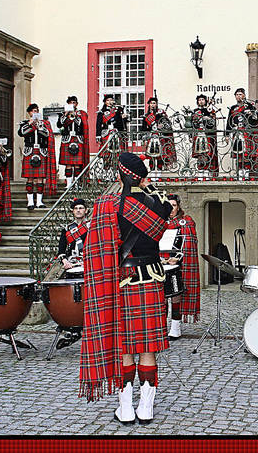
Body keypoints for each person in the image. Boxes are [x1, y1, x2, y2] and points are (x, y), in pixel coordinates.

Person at [80, 152, 173, 425]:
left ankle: (126, 409)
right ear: (142, 178)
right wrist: (149, 187)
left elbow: (95, 250)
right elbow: (165, 211)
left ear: (120, 174)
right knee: (148, 347)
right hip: (152, 280)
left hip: (122, 281)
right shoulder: (157, 202)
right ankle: (146, 408)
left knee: (125, 347)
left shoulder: (107, 204)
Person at [163, 194, 201, 339]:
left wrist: (177, 258)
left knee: (175, 297)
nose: (171, 209)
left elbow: (189, 245)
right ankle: (161, 327)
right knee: (162, 298)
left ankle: (175, 328)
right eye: (169, 205)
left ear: (178, 206)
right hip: (161, 263)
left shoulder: (187, 221)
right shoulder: (159, 222)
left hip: (179, 265)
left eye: (174, 205)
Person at [18, 103, 57, 210]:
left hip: (41, 151)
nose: (35, 112)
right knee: (30, 178)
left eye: (37, 110)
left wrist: (39, 126)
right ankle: (30, 202)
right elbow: (21, 133)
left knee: (40, 178)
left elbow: (46, 135)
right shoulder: (25, 123)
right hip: (29, 151)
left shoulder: (44, 124)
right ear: (29, 113)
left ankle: (39, 201)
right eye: (33, 111)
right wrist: (31, 124)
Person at [226, 88, 258, 180]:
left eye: (240, 94)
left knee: (247, 154)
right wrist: (227, 134)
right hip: (236, 133)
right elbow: (229, 121)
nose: (238, 96)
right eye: (237, 95)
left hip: (247, 133)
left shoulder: (249, 105)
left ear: (244, 96)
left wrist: (252, 113)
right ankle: (240, 173)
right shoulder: (233, 108)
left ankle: (247, 173)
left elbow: (256, 117)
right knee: (238, 154)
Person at [57, 96, 90, 189]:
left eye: (74, 103)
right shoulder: (63, 114)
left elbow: (81, 124)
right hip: (67, 139)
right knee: (68, 164)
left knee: (77, 164)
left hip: (78, 139)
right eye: (70, 103)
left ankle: (76, 183)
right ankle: (68, 183)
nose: (72, 104)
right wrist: (66, 114)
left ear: (77, 104)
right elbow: (59, 124)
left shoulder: (81, 114)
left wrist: (74, 115)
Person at [142, 96, 176, 180]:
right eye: (151, 103)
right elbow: (143, 129)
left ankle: (159, 174)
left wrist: (162, 125)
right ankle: (153, 173)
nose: (153, 105)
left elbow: (168, 125)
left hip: (160, 137)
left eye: (154, 103)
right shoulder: (146, 116)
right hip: (151, 138)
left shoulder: (161, 114)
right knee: (151, 156)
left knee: (160, 156)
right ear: (149, 105)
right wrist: (145, 139)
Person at [57, 198, 90, 273]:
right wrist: (65, 261)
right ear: (73, 211)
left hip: (88, 264)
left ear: (86, 210)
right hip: (71, 264)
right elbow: (61, 249)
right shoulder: (67, 229)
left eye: (81, 208)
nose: (78, 210)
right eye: (76, 208)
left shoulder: (91, 227)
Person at [190, 94, 219, 179]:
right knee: (199, 154)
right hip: (197, 135)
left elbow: (213, 123)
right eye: (199, 100)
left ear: (205, 101)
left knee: (207, 154)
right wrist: (190, 135)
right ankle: (200, 171)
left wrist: (208, 118)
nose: (201, 101)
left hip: (207, 135)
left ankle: (206, 171)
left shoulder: (210, 110)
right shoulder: (194, 111)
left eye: (202, 100)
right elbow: (191, 125)